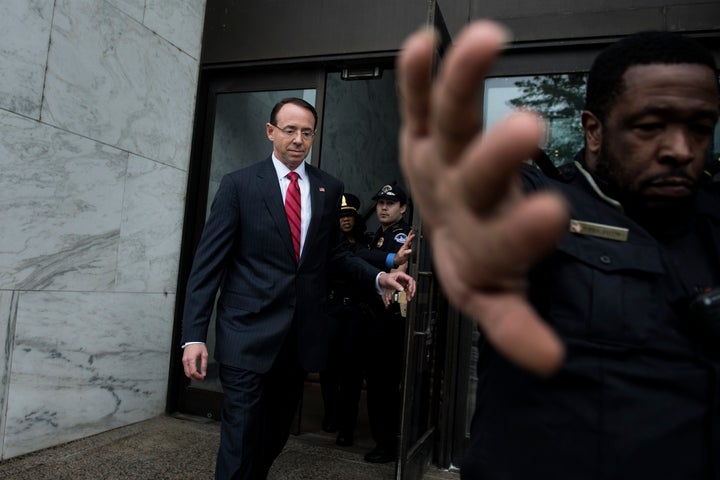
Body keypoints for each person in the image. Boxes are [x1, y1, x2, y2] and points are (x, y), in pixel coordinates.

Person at [397, 20, 719, 479]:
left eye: (701, 128)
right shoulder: (545, 203)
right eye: (650, 126)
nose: (681, 149)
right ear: (593, 131)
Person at [181, 97, 415, 480]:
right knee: (239, 436)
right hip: (246, 332)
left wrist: (378, 276)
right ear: (271, 132)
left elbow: (336, 256)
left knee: (273, 435)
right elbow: (208, 266)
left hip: (298, 338)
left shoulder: (328, 188)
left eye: (306, 132)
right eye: (289, 130)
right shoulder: (239, 186)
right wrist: (193, 335)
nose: (298, 139)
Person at [363, 183, 413, 464]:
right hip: (371, 318)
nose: (383, 207)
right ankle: (380, 439)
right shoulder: (377, 237)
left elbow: (399, 268)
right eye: (380, 202)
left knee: (385, 384)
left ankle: (388, 443)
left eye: (390, 203)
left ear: (403, 208)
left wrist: (390, 278)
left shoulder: (401, 236)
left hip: (389, 320)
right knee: (375, 381)